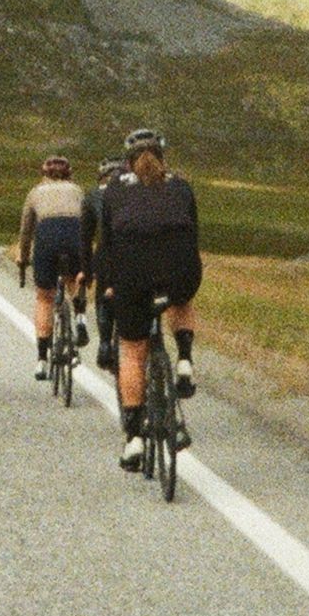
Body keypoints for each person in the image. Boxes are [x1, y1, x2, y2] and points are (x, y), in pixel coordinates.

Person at [96, 129, 202, 472]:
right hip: (179, 268)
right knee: (181, 299)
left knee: (132, 350)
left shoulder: (114, 189)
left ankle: (134, 440)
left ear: (127, 162)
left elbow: (106, 244)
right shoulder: (181, 186)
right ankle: (184, 360)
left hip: (132, 273)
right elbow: (192, 234)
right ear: (163, 158)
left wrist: (108, 284)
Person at [15, 152, 89, 372]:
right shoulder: (77, 191)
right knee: (74, 280)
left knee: (44, 298)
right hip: (74, 234)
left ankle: (41, 359)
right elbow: (87, 221)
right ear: (69, 174)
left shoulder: (35, 192)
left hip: (47, 236)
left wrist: (24, 258)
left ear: (43, 174)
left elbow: (26, 231)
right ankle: (81, 319)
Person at [85, 158, 128, 370]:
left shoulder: (95, 194)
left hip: (105, 252)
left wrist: (86, 270)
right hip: (133, 251)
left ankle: (104, 343)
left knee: (104, 294)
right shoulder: (134, 188)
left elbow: (85, 237)